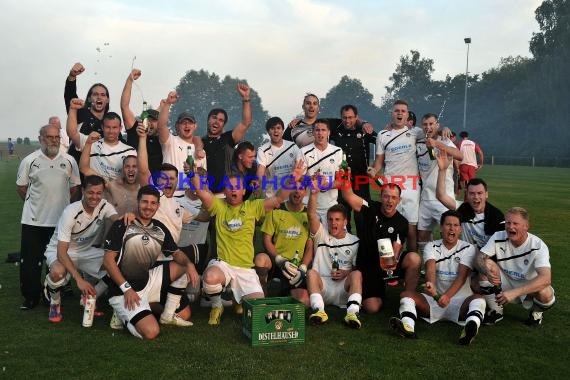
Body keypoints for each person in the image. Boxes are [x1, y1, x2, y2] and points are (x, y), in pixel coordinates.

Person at [189, 159, 304, 326]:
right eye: (230, 187)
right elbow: (200, 191)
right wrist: (192, 174)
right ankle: (217, 305)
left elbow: (279, 198)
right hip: (223, 265)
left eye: (237, 187)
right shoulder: (218, 206)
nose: (234, 189)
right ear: (225, 191)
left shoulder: (253, 207)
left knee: (260, 312)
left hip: (245, 269)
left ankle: (239, 300)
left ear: (243, 190)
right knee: (209, 278)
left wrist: (293, 178)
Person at [103, 185, 200, 339]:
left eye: (153, 203)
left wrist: (190, 265)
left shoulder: (159, 228)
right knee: (151, 332)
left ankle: (167, 315)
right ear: (138, 202)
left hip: (148, 282)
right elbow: (108, 261)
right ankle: (123, 316)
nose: (148, 207)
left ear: (158, 206)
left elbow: (177, 253)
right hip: (123, 291)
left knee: (184, 268)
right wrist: (126, 289)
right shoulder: (123, 225)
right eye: (145, 202)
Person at [389, 210, 486, 345]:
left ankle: (470, 328)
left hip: (460, 302)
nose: (452, 228)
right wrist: (434, 291)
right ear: (441, 227)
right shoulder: (431, 246)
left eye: (455, 225)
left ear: (460, 229)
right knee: (406, 295)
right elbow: (430, 270)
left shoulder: (469, 248)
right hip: (433, 300)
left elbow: (461, 278)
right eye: (448, 224)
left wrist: (446, 297)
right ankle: (408, 326)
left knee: (479, 300)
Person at [16, 125, 81, 309]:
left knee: (56, 260)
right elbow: (21, 188)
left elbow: (75, 188)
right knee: (30, 262)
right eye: (49, 137)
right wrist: (36, 205)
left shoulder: (69, 160)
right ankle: (30, 297)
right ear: (41, 138)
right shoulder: (30, 160)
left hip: (60, 221)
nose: (53, 140)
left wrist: (65, 208)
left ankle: (51, 293)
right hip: (33, 221)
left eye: (56, 137)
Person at [44, 175, 120, 323]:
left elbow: (117, 220)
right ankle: (55, 302)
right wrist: (78, 279)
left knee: (117, 267)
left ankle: (91, 296)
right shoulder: (70, 212)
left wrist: (126, 219)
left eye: (99, 193)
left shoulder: (104, 206)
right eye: (91, 192)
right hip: (61, 251)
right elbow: (61, 251)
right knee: (57, 273)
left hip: (87, 251)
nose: (95, 197)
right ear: (83, 190)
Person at [341, 181, 420, 313]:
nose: (389, 201)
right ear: (380, 197)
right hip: (368, 265)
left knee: (414, 258)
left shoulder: (402, 222)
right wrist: (344, 177)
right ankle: (362, 291)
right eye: (386, 196)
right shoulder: (370, 207)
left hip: (387, 263)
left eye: (394, 197)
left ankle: (408, 300)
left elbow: (398, 246)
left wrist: (393, 259)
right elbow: (348, 196)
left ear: (399, 200)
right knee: (372, 307)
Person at [477, 207, 555, 326]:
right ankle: (496, 311)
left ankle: (536, 313)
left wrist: (514, 293)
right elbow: (479, 258)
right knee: (485, 265)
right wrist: (487, 273)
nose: (510, 226)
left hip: (528, 286)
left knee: (546, 293)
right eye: (508, 222)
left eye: (515, 223)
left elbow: (546, 278)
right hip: (506, 281)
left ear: (526, 226)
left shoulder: (538, 246)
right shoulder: (498, 236)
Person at [306, 180, 362, 329]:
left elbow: (357, 269)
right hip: (322, 287)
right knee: (311, 273)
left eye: (337, 219)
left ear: (345, 222)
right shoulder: (321, 235)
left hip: (343, 289)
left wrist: (346, 272)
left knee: (356, 275)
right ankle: (319, 310)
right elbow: (311, 215)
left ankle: (352, 312)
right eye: (330, 219)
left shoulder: (355, 241)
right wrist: (313, 194)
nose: (333, 223)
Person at [368, 100, 423, 252]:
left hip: (411, 186)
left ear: (407, 115)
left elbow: (433, 133)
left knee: (411, 230)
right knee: (389, 227)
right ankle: (389, 266)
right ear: (392, 113)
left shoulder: (415, 132)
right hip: (390, 187)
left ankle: (412, 264)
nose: (400, 113)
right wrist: (374, 171)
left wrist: (443, 128)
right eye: (397, 110)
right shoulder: (383, 135)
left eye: (403, 111)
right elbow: (379, 161)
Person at [435, 152, 504, 249]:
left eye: (480, 193)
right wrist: (442, 170)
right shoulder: (463, 208)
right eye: (472, 193)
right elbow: (441, 196)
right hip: (465, 257)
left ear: (486, 194)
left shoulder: (496, 216)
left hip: (486, 258)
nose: (476, 197)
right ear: (466, 195)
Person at [416, 113, 463, 253]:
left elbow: (460, 155)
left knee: (449, 234)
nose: (428, 127)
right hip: (425, 198)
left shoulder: (444, 140)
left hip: (444, 198)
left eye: (431, 124)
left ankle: (450, 264)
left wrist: (436, 143)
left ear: (437, 125)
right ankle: (429, 262)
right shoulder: (418, 141)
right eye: (425, 124)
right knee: (423, 235)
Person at [258, 187, 313, 303]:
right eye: (294, 188)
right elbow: (266, 239)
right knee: (260, 260)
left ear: (305, 192)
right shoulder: (276, 210)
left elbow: (310, 247)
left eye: (301, 189)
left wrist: (303, 268)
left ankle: (285, 291)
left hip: (295, 265)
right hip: (276, 261)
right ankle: (262, 291)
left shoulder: (309, 215)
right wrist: (279, 259)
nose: (297, 192)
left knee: (304, 302)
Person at [330, 104, 377, 234]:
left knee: (362, 216)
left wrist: (365, 123)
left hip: (361, 179)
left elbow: (381, 141)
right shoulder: (335, 128)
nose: (347, 120)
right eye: (344, 117)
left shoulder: (364, 130)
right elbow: (318, 122)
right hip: (343, 180)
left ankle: (364, 247)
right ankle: (346, 245)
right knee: (343, 215)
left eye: (350, 117)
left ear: (357, 117)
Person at [67, 100, 136, 182]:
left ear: (120, 128)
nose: (111, 131)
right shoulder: (91, 143)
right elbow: (72, 133)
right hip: (95, 194)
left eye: (114, 127)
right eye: (108, 127)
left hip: (119, 194)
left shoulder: (130, 151)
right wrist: (72, 109)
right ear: (102, 127)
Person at [202, 83, 252, 195]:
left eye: (220, 120)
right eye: (214, 118)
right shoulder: (199, 143)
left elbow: (246, 123)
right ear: (208, 120)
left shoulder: (228, 138)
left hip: (224, 194)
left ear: (223, 124)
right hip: (204, 195)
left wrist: (246, 98)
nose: (216, 122)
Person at [158, 90, 207, 197]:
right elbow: (161, 126)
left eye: (190, 123)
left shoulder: (201, 152)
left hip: (192, 198)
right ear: (177, 126)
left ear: (195, 126)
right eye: (183, 123)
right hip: (170, 195)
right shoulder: (171, 141)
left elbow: (203, 179)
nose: (186, 125)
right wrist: (168, 103)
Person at [64, 62, 111, 163]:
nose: (99, 97)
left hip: (100, 171)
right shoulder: (81, 113)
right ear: (89, 98)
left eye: (103, 95)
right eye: (95, 94)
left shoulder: (110, 122)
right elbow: (70, 97)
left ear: (107, 100)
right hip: (77, 169)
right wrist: (72, 76)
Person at [80, 138, 139, 216]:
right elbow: (85, 169)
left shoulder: (144, 188)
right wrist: (88, 144)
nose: (130, 169)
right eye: (127, 166)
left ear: (139, 169)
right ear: (122, 170)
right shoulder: (112, 186)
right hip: (115, 226)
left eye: (134, 166)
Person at [120, 68, 163, 173]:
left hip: (156, 185)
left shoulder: (163, 141)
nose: (149, 123)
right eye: (147, 119)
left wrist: (163, 106)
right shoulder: (135, 130)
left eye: (154, 120)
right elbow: (124, 106)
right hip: (134, 183)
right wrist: (129, 80)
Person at [301, 119, 342, 227]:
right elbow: (298, 178)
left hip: (330, 206)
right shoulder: (303, 151)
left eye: (323, 130)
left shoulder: (337, 151)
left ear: (329, 132)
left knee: (332, 241)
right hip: (308, 205)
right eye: (317, 130)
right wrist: (311, 179)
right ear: (313, 132)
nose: (320, 133)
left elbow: (340, 182)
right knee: (310, 241)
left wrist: (327, 186)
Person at [256, 116, 303, 198]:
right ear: (268, 131)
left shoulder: (293, 147)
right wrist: (259, 182)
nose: (276, 131)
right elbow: (260, 172)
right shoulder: (262, 150)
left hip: (291, 197)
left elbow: (300, 169)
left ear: (282, 130)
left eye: (278, 128)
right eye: (272, 128)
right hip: (273, 198)